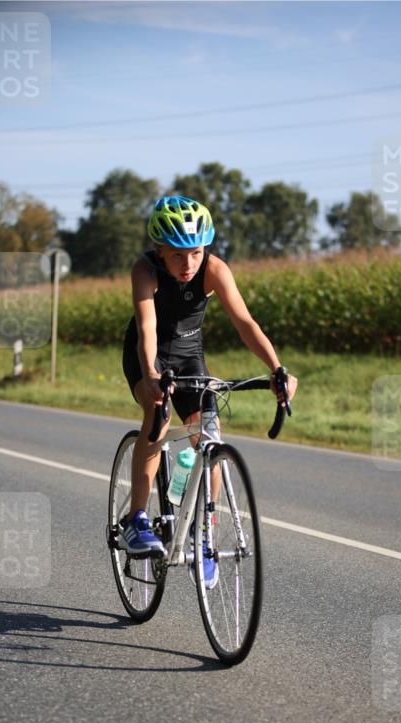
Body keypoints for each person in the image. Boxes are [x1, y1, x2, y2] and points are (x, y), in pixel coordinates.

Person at [121, 194, 297, 578]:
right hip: (146, 356)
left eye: (195, 253)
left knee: (210, 438)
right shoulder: (145, 270)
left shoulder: (215, 269)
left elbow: (245, 322)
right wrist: (151, 375)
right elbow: (147, 328)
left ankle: (205, 536)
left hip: (190, 358)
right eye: (177, 255)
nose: (188, 264)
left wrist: (277, 368)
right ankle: (136, 519)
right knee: (159, 416)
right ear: (159, 250)